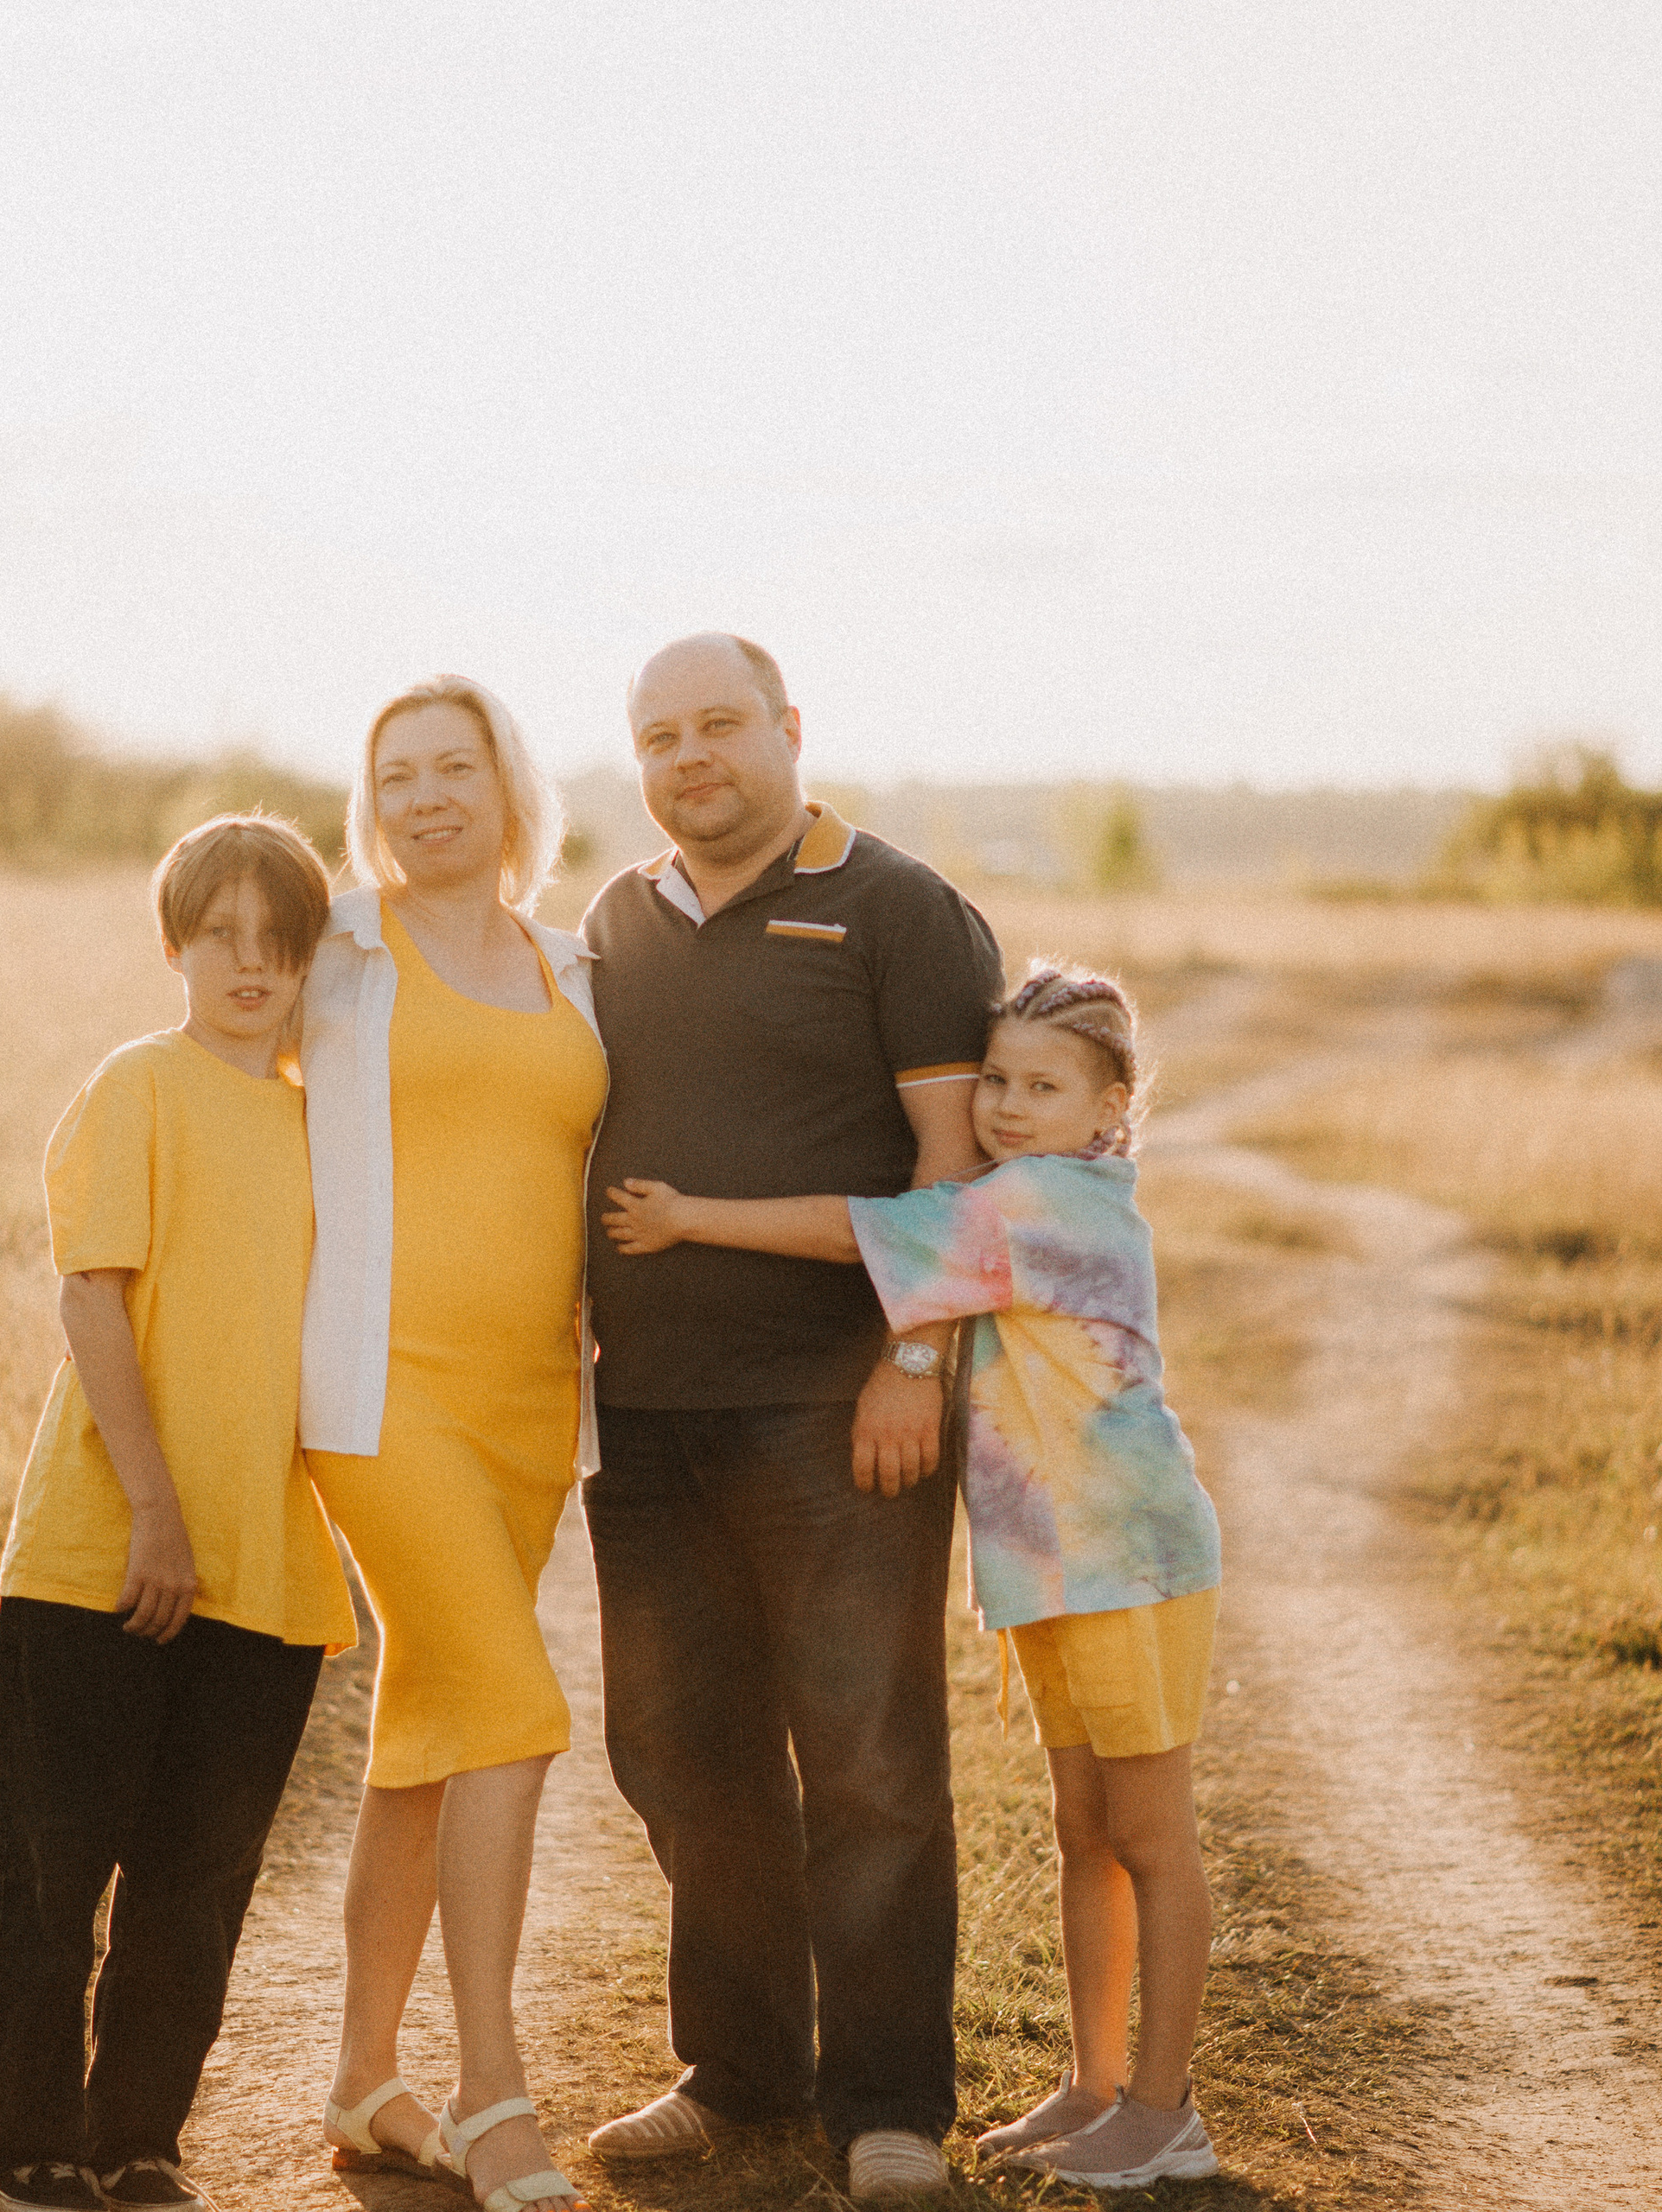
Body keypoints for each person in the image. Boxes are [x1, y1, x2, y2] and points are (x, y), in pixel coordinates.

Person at [601, 961, 1225, 2191]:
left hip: (1127, 1557)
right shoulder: (1030, 1186)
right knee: (1083, 1832)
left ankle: (1167, 2109)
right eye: (994, 1077)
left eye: (1044, 1085)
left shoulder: (1048, 1203)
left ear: (1112, 1108)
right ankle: (1095, 2088)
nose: (1005, 1104)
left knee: (1149, 1837)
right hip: (1060, 1568)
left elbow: (854, 1228)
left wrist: (689, 1216)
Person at [578, 633, 1003, 2201]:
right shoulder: (618, 919)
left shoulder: (899, 909)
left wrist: (918, 1363)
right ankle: (740, 2068)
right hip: (648, 1416)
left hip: (840, 1414)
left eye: (718, 726)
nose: (689, 758)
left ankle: (889, 2107)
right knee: (687, 1757)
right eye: (658, 736)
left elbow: (956, 1165)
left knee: (872, 1763)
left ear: (789, 731)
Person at [0, 814, 359, 2212]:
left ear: (313, 956)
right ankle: (23, 2148)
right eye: (221, 934)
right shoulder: (141, 1084)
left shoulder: (333, 1127)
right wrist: (154, 1513)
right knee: (57, 1877)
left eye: (280, 938)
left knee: (195, 1887)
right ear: (176, 943)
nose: (251, 963)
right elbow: (92, 1301)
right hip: (104, 1549)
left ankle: (137, 2143)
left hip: (271, 1565)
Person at [300, 677, 604, 2212]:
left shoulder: (575, 967)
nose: (425, 798)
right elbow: (213, 1054)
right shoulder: (339, 952)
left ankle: (363, 2079)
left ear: (506, 788)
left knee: (426, 1730)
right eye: (397, 775)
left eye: (452, 769)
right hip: (379, 1394)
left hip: (529, 1412)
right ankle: (493, 2091)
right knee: (509, 1702)